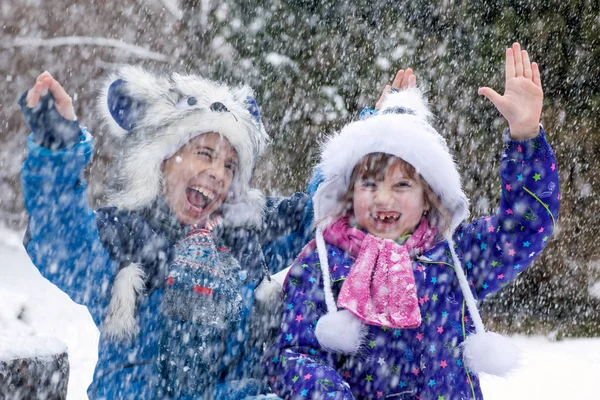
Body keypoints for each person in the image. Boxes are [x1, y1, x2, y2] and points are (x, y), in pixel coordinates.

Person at [265, 42, 560, 399]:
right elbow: (296, 355)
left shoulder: (456, 257)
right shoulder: (321, 264)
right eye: (369, 183)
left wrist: (525, 136)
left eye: (402, 184)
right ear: (349, 191)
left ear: (427, 198)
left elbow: (523, 230)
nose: (382, 198)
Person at [19, 66, 318, 399]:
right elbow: (60, 238)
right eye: (205, 154)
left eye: (230, 166)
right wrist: (57, 149)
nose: (218, 173)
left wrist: (378, 140)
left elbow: (321, 212)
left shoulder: (244, 238)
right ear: (163, 158)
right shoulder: (125, 236)